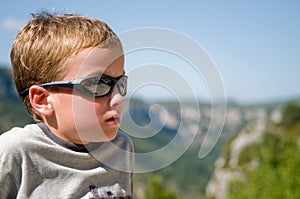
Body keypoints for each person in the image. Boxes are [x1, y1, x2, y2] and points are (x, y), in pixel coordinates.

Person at [0, 11, 134, 199]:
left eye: (120, 83)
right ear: (42, 100)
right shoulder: (14, 152)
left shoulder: (122, 147)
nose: (118, 98)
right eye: (98, 84)